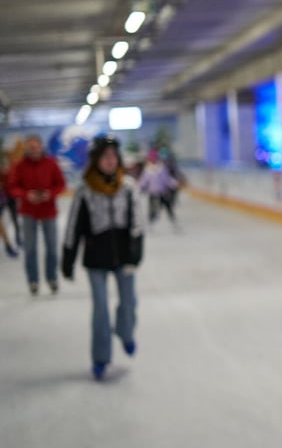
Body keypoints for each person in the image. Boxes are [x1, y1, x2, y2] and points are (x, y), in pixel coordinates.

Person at [61, 135, 145, 380]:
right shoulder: (85, 190)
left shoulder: (128, 186)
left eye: (113, 156)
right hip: (96, 257)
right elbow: (73, 226)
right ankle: (101, 357)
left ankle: (126, 333)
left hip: (124, 255)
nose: (110, 161)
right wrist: (68, 258)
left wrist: (136, 252)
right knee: (100, 310)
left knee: (129, 301)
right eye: (104, 157)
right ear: (96, 160)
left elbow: (137, 222)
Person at [7, 134, 66, 295]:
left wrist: (50, 194)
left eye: (36, 146)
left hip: (48, 211)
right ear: (26, 148)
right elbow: (12, 187)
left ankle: (52, 278)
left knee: (52, 248)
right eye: (30, 147)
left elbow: (60, 184)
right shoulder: (19, 166)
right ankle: (33, 280)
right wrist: (26, 195)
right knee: (30, 249)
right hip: (28, 212)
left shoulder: (51, 163)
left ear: (41, 146)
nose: (34, 150)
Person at [138, 149, 180, 226]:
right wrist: (139, 188)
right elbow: (144, 181)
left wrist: (174, 183)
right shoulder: (148, 169)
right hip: (153, 193)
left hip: (162, 193)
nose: (153, 160)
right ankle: (150, 223)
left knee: (168, 207)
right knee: (152, 209)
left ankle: (174, 222)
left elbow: (166, 179)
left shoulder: (161, 168)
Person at [1, 150, 22, 249]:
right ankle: (8, 243)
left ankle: (18, 238)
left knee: (15, 218)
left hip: (11, 197)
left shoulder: (13, 168)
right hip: (2, 197)